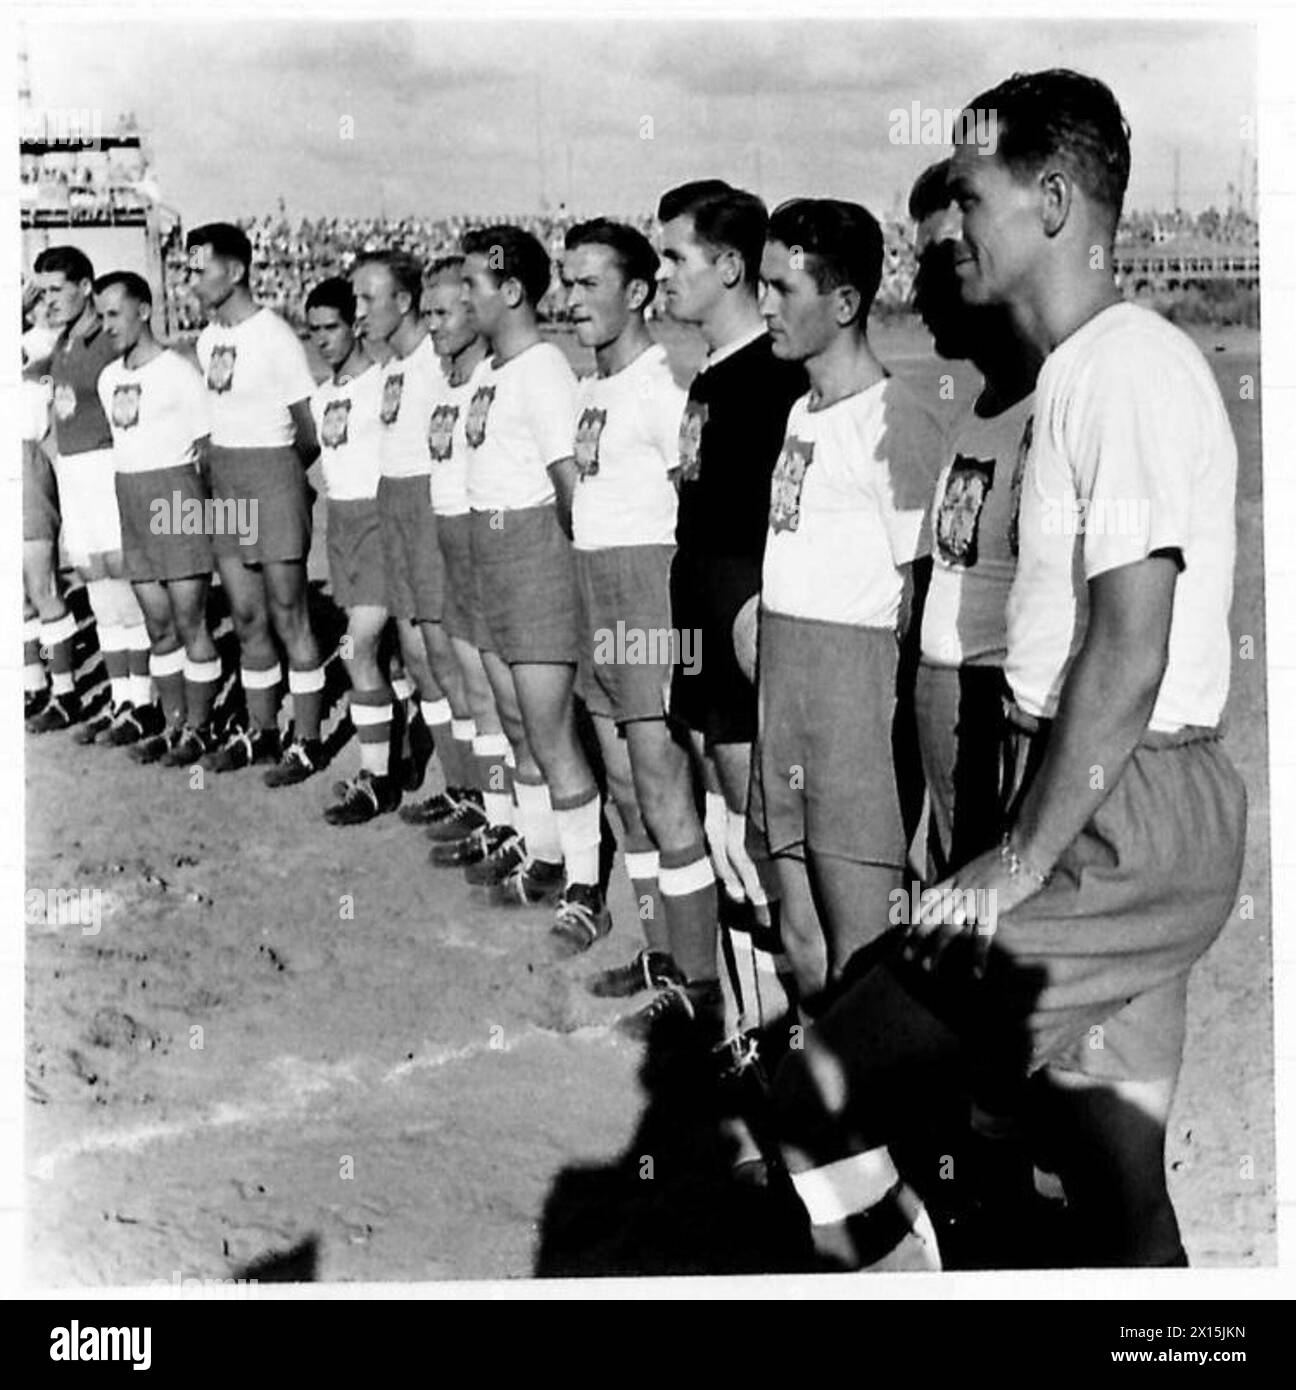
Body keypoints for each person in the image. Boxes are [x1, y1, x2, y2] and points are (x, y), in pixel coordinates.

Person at [774, 69, 1247, 1271]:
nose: (951, 227)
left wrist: (1019, 856)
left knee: (820, 1082)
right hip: (1103, 788)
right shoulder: (1081, 372)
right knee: (1110, 1176)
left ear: (1050, 199)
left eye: (972, 196)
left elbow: (1130, 640)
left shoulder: (1125, 363)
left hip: (1115, 810)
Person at [755, 198, 946, 1014]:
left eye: (781, 288)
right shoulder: (801, 411)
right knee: (799, 937)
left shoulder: (897, 421)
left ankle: (876, 1132)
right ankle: (820, 1122)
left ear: (844, 303)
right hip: (784, 696)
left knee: (864, 950)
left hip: (854, 711)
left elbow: (924, 592)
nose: (764, 304)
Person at [625, 181, 805, 1038]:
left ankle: (776, 1030)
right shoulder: (713, 370)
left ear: (730, 265)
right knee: (722, 820)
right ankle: (744, 1019)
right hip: (699, 600)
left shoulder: (773, 380)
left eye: (676, 258)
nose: (663, 275)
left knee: (755, 829)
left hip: (740, 610)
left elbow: (776, 536)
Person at [553, 218, 721, 984]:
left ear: (640, 291)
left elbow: (698, 515)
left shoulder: (665, 393)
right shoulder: (590, 387)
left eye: (590, 283)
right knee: (625, 787)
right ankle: (660, 954)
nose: (572, 297)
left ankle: (700, 978)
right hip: (594, 588)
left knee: (663, 789)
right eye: (568, 280)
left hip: (647, 597)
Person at [460, 224, 608, 945]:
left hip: (533, 556)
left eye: (473, 285)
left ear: (511, 290)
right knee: (515, 721)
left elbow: (568, 486)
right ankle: (544, 854)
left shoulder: (545, 369)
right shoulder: (490, 371)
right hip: (491, 557)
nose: (463, 297)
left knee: (551, 731)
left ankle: (586, 883)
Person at [907, 157, 1043, 881]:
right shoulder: (975, 413)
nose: (918, 292)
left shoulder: (1049, 415)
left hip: (999, 718)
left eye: (940, 262)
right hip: (950, 713)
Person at [188, 222, 326, 783]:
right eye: (188, 270)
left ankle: (309, 740)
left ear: (237, 270)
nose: (192, 280)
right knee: (246, 616)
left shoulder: (275, 337)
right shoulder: (205, 339)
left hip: (272, 473)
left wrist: (281, 481)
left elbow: (309, 430)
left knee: (290, 614)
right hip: (226, 479)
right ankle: (263, 732)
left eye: (201, 268)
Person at [351, 250, 474, 810]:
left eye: (367, 299)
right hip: (394, 503)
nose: (359, 312)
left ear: (404, 304)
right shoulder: (391, 368)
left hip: (429, 506)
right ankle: (458, 787)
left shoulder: (435, 359)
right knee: (420, 659)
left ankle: (479, 791)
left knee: (446, 657)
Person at [93, 271, 222, 766]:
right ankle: (171, 726)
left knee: (191, 622)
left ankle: (200, 728)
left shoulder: (179, 373)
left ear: (143, 310)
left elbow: (207, 451)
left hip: (175, 496)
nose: (107, 326)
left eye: (114, 314)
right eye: (101, 316)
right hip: (131, 498)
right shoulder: (109, 378)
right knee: (157, 625)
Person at [417, 256, 521, 865]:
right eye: (428, 312)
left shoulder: (493, 377)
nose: (433, 325)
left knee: (497, 694)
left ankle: (520, 826)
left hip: (487, 542)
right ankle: (492, 809)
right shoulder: (445, 378)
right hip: (447, 539)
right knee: (469, 689)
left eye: (444, 312)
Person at [29, 245, 154, 741]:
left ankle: (143, 702)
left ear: (86, 288)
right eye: (42, 291)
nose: (48, 299)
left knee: (122, 585)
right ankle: (121, 699)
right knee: (98, 589)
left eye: (57, 289)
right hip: (74, 475)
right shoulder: (61, 345)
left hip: (107, 470)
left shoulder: (108, 340)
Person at [300, 276, 397, 823]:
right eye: (313, 331)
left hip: (380, 520)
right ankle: (397, 755)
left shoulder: (383, 385)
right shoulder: (324, 393)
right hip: (341, 523)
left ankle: (377, 778)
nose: (323, 340)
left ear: (355, 324)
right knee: (385, 655)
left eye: (332, 327)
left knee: (360, 648)